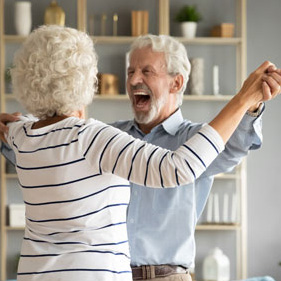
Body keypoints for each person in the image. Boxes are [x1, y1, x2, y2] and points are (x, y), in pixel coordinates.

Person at [0, 29, 280, 281]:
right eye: (130, 71)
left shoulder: (25, 134)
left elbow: (233, 143)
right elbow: (178, 167)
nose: (134, 79)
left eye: (147, 71)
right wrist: (243, 97)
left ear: (177, 82)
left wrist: (250, 108)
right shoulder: (99, 137)